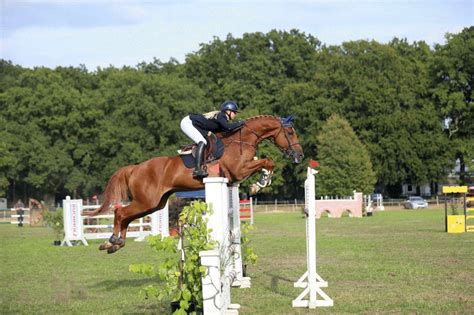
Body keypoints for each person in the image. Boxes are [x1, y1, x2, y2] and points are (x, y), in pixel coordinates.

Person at [180, 100, 244, 178]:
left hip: (194, 124)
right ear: (228, 111)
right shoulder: (222, 116)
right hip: (188, 123)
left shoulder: (222, 118)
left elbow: (226, 130)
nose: (235, 114)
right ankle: (197, 170)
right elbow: (229, 127)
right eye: (234, 112)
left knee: (206, 140)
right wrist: (241, 123)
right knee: (202, 141)